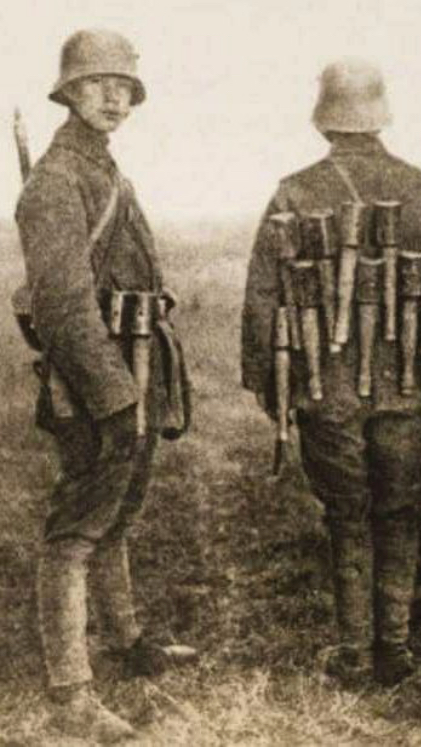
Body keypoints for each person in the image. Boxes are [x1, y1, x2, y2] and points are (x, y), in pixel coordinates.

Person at [241, 58, 421, 686]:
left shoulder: (294, 192)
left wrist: (272, 385)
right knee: (397, 510)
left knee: (346, 514)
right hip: (405, 382)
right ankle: (394, 649)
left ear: (324, 121)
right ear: (380, 117)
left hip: (326, 385)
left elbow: (263, 297)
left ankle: (354, 654)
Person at [15, 29, 192, 741]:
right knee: (76, 530)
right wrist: (114, 395)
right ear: (69, 92)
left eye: (124, 86)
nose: (114, 97)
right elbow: (61, 307)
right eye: (97, 84)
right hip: (98, 379)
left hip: (133, 366)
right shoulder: (56, 181)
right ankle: (71, 694)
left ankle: (126, 639)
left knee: (116, 514)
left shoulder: (102, 168)